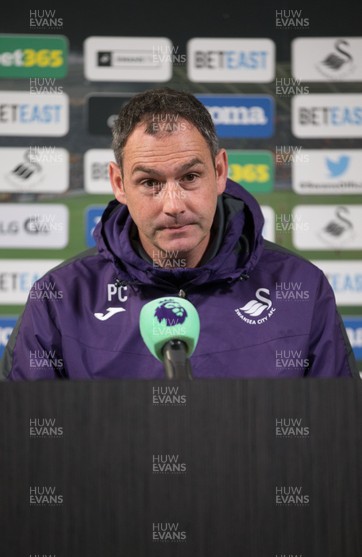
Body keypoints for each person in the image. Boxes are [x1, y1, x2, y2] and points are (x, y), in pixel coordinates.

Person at [0, 87, 359, 380]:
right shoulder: (60, 298)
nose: (173, 205)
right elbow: (29, 450)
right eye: (149, 182)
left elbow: (335, 445)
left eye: (189, 177)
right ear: (118, 184)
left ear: (219, 171)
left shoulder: (302, 287)